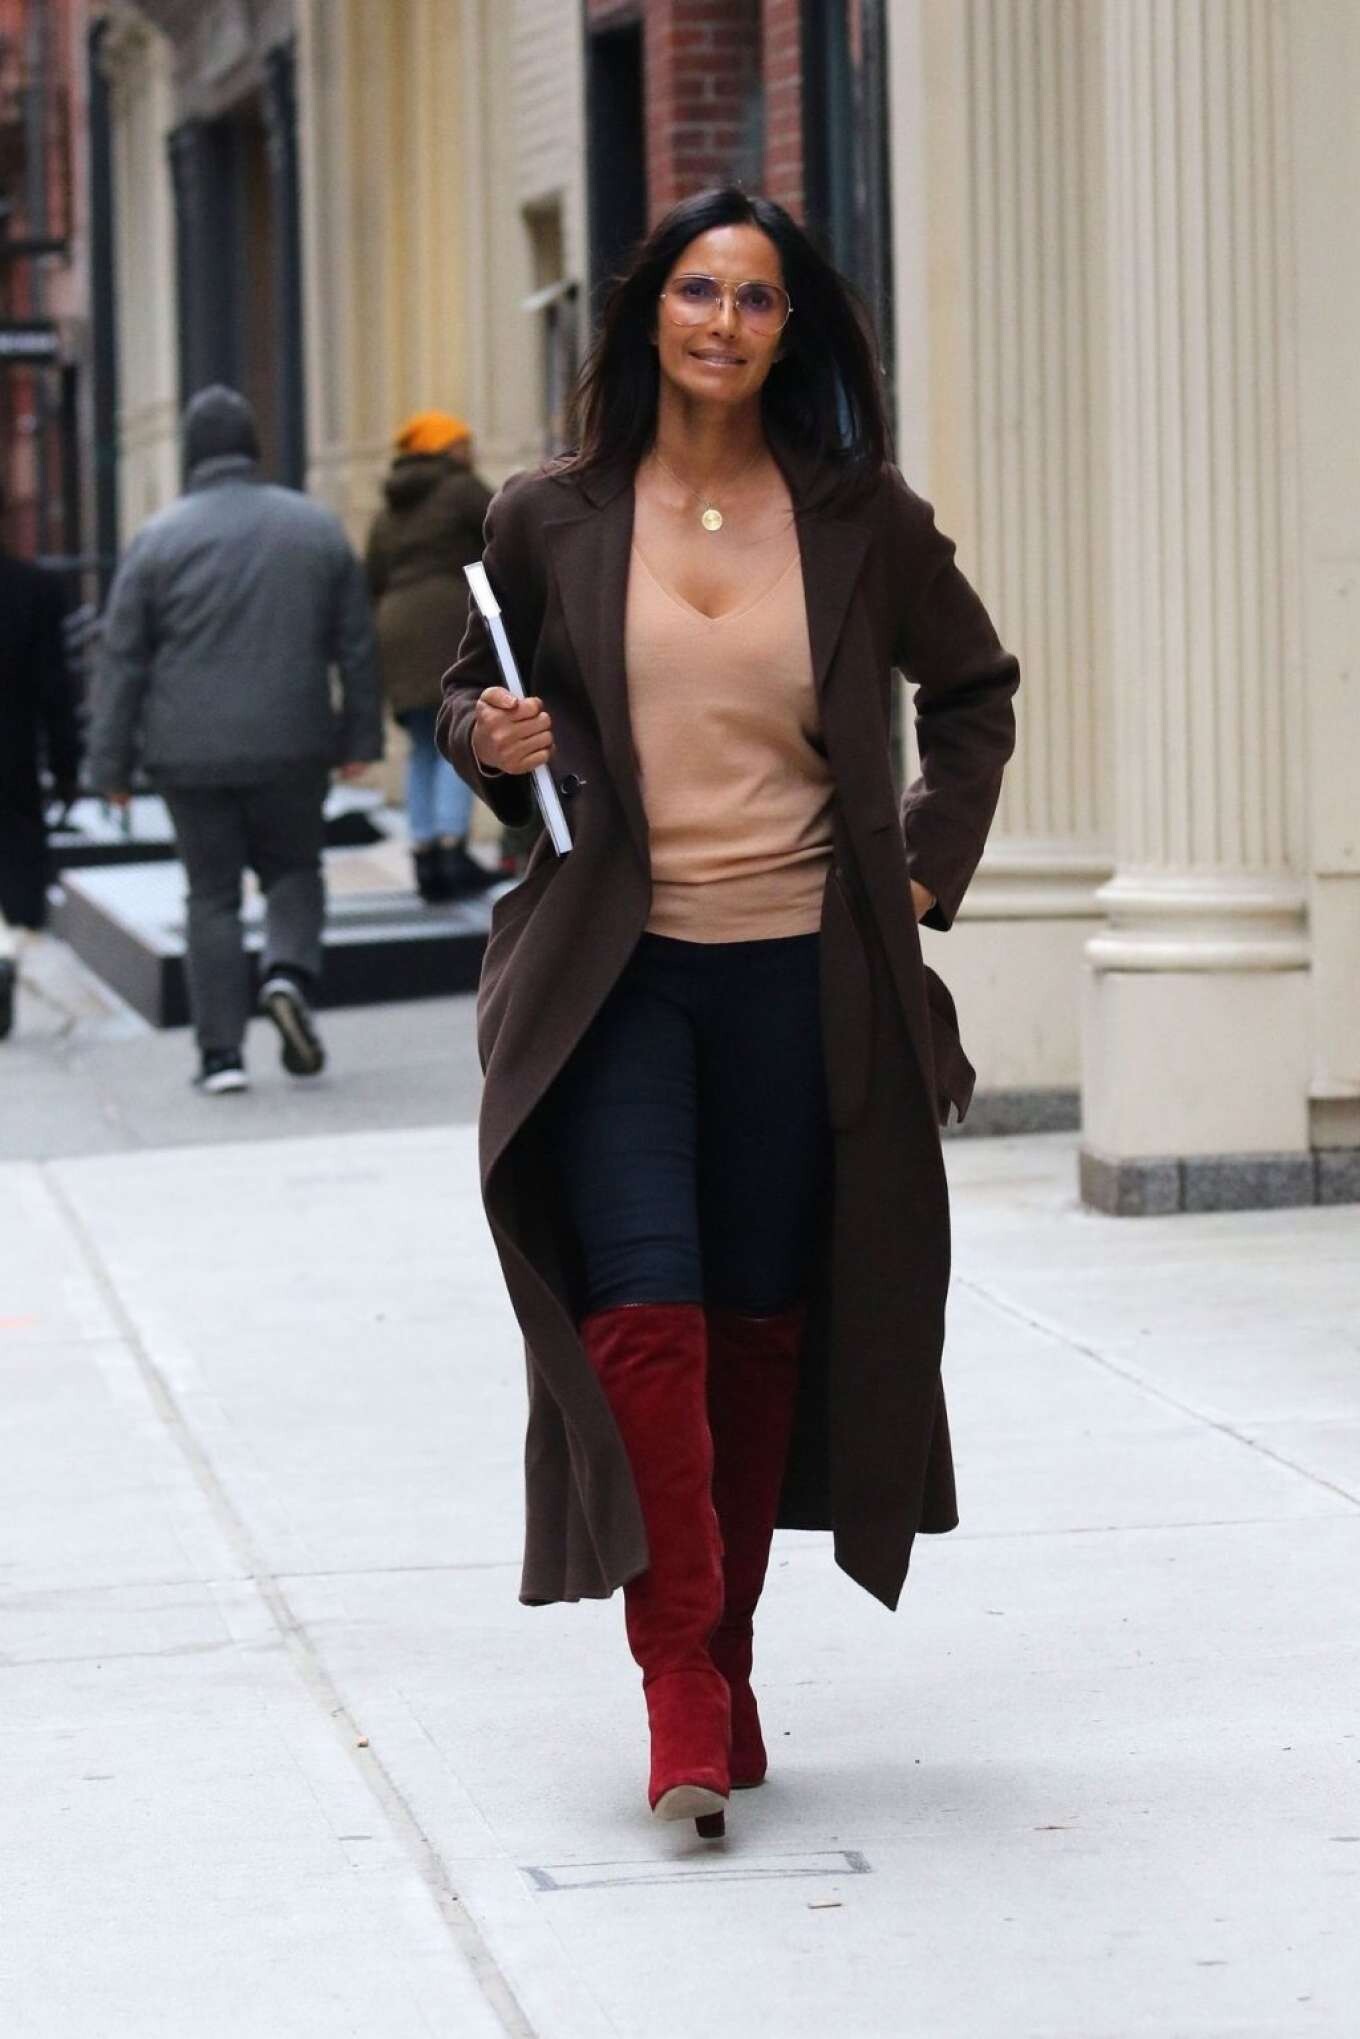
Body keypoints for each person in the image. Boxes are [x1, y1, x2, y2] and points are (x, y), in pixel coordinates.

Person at [438, 188, 1019, 1837]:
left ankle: (728, 1644)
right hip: (617, 977)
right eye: (698, 290)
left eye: (757, 299)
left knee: (761, 1326)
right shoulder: (549, 513)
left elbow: (974, 691)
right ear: (650, 314)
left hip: (800, 980)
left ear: (788, 330)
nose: (724, 321)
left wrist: (920, 876)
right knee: (645, 1314)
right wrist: (490, 739)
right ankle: (680, 1677)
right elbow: (465, 687)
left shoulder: (860, 517)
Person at [86, 386, 383, 1093]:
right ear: (254, 447)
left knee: (210, 895)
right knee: (294, 870)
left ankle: (221, 1056)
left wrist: (110, 766)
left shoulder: (156, 541)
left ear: (191, 455)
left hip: (188, 753)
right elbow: (356, 645)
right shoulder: (314, 529)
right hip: (293, 742)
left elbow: (122, 660)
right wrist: (359, 736)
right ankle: (288, 974)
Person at [366, 412, 496, 902]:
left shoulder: (389, 510)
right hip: (447, 623)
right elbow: (505, 531)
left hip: (396, 628)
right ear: (448, 449)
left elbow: (372, 576)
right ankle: (451, 848)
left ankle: (424, 853)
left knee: (424, 741)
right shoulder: (461, 489)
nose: (471, 450)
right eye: (463, 442)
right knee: (457, 738)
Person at [0, 507, 80, 1042]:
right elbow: (55, 689)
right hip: (13, 758)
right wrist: (66, 765)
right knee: (14, 870)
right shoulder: (32, 589)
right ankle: (4, 951)